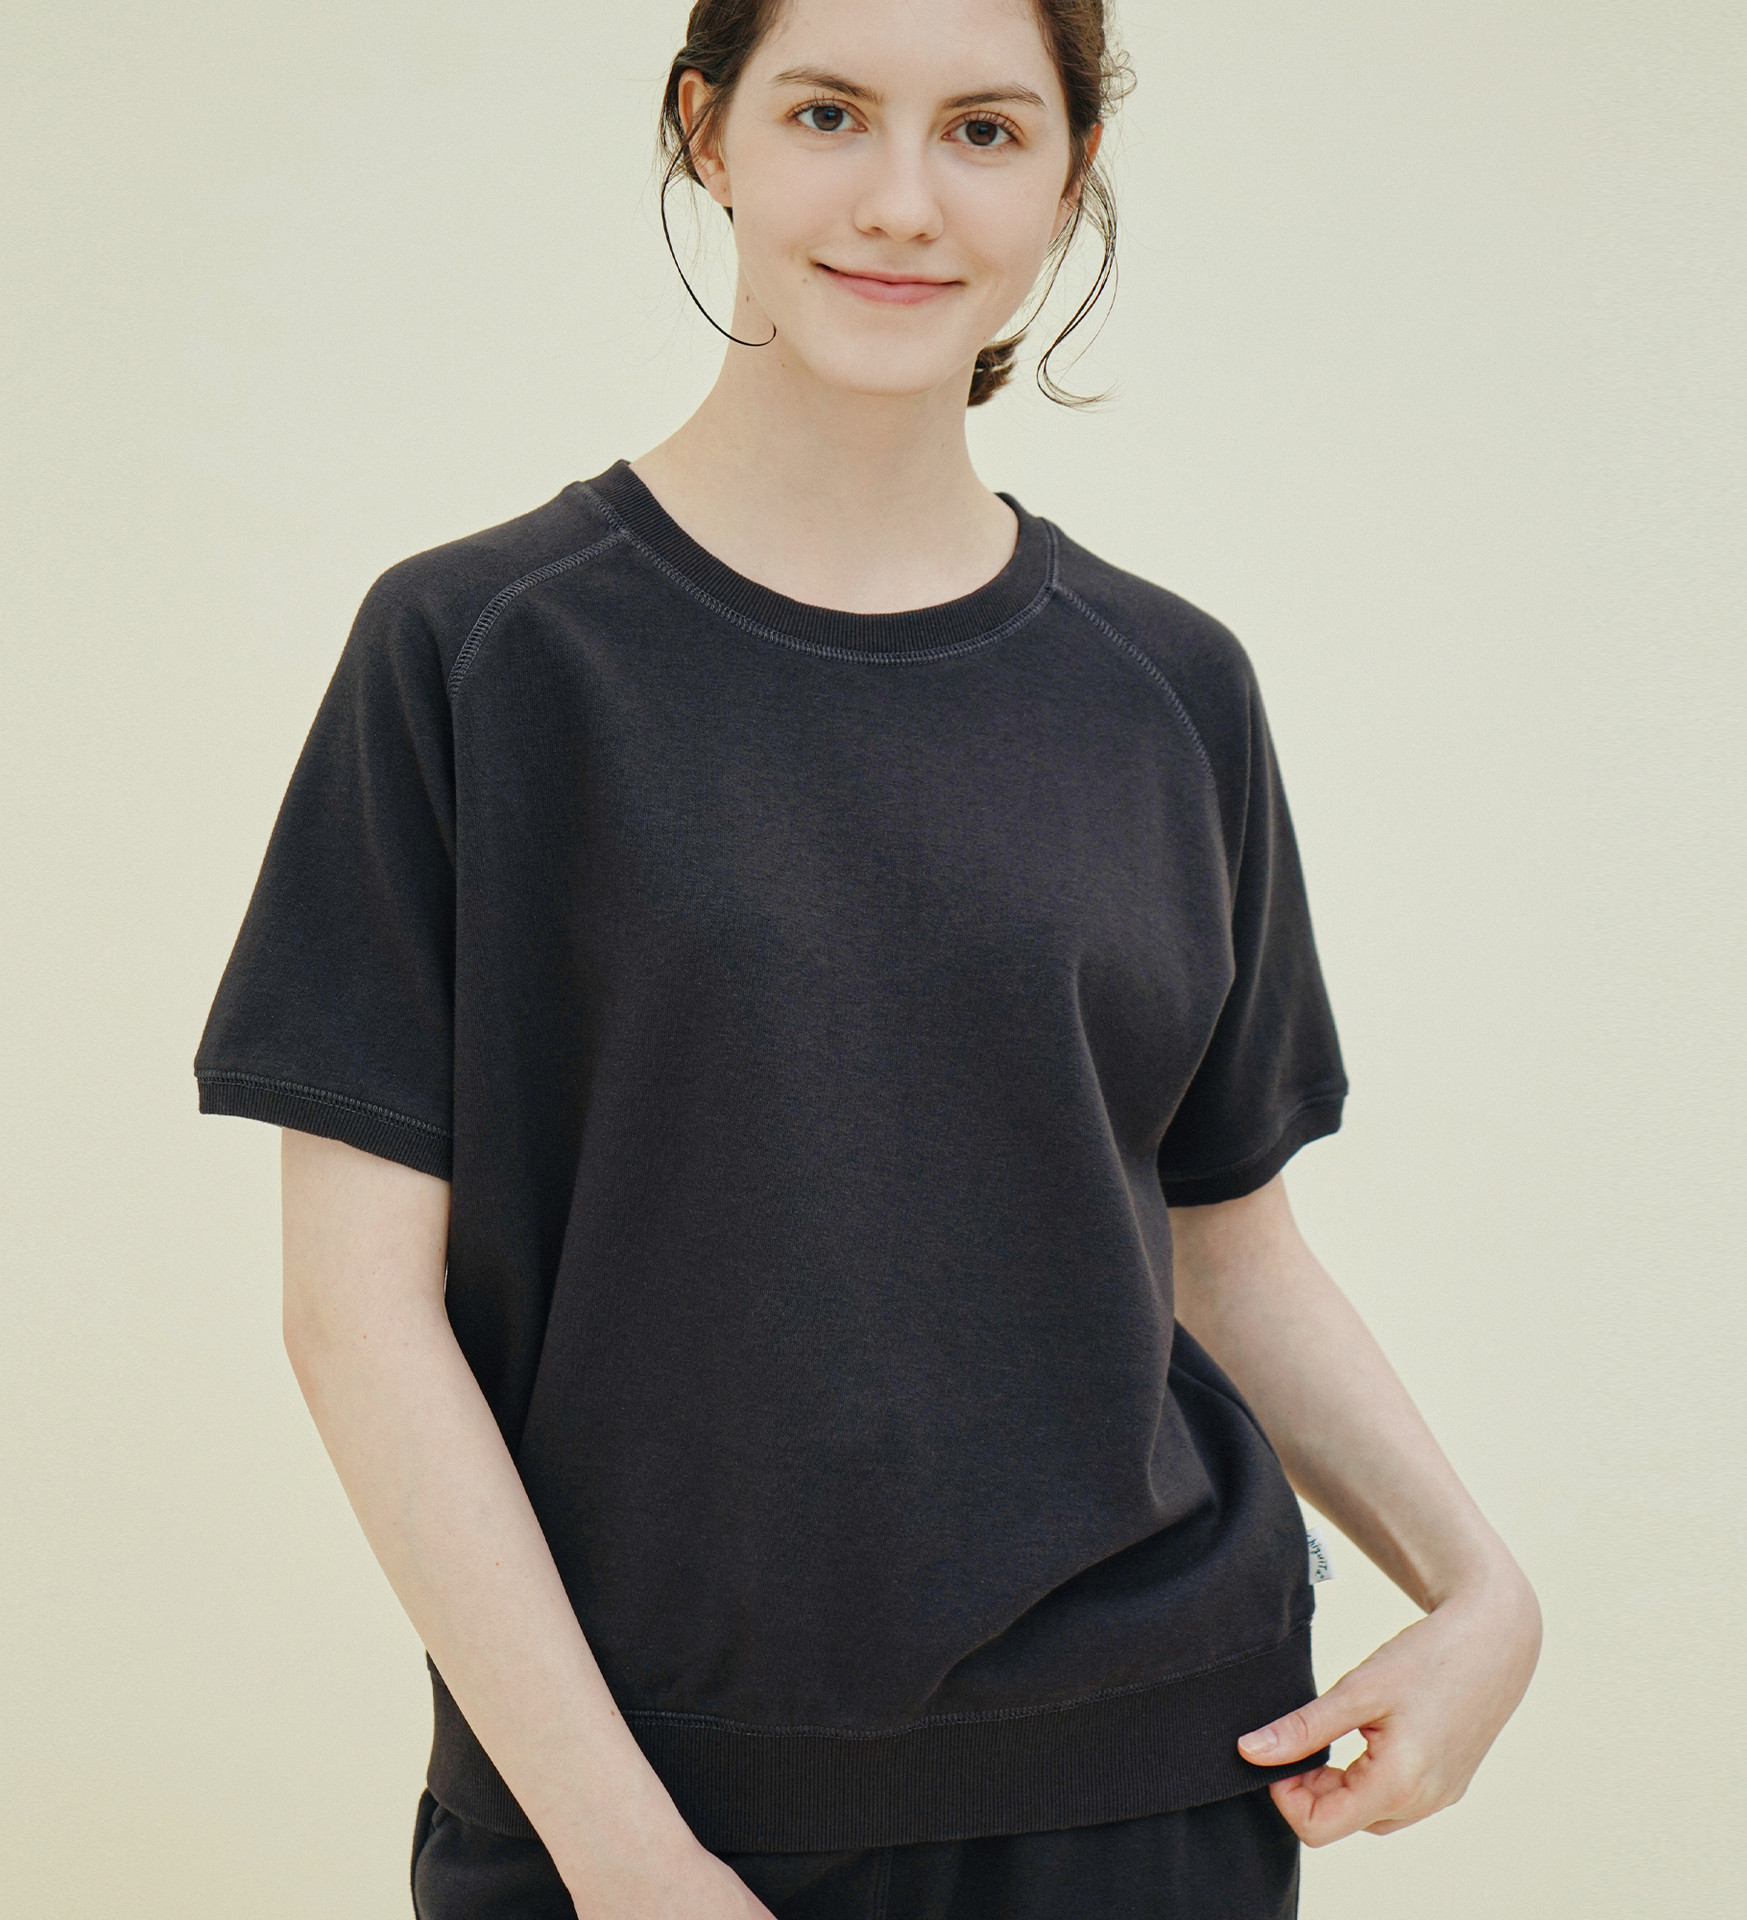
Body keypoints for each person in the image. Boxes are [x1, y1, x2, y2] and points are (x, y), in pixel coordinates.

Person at [194, 1, 1542, 1914]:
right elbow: (356, 1316)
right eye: (829, 113)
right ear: (708, 132)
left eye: (984, 130)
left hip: (1146, 1791)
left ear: (1071, 172)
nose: (905, 201)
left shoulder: (1168, 689)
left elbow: (1222, 1239)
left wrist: (1484, 1593)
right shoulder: (484, 656)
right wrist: (621, 1856)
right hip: (646, 1820)